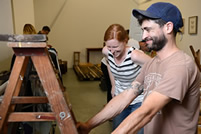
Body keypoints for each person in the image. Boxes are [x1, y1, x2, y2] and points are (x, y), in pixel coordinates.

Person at [77, 2, 200, 134]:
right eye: (143, 30)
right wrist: (89, 125)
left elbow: (146, 111)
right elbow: (126, 95)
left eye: (148, 29)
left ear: (168, 27)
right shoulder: (152, 64)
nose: (143, 37)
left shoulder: (180, 66)